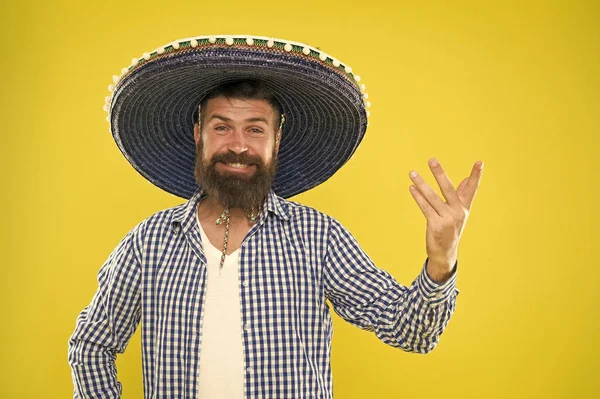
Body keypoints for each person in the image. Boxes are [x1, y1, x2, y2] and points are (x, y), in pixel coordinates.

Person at [68, 35, 483, 399]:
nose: (238, 145)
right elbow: (91, 345)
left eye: (255, 129)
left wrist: (442, 259)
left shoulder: (317, 238)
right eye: (222, 127)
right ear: (198, 135)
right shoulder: (148, 243)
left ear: (276, 140)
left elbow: (412, 332)